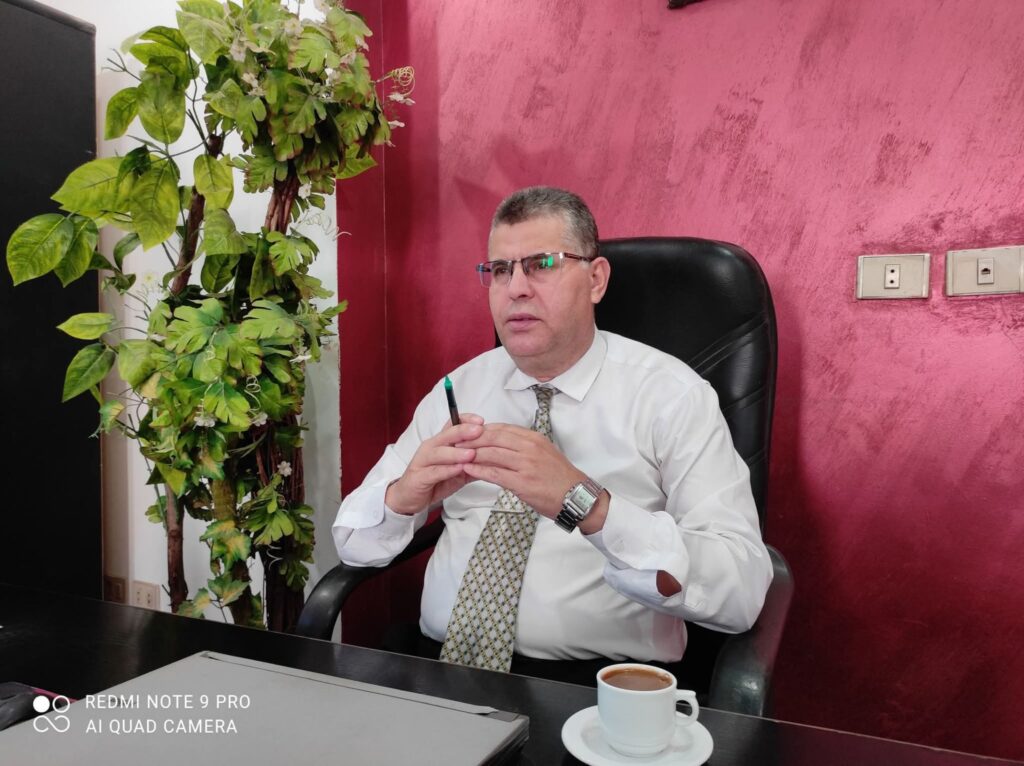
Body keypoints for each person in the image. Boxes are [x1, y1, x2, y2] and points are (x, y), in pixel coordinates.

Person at [332, 186, 772, 676]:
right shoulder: (460, 390)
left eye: (541, 265)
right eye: (501, 270)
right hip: (443, 670)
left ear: (596, 280)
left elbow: (741, 590)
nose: (516, 288)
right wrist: (403, 497)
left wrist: (587, 505)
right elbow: (353, 542)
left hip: (596, 685)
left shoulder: (671, 396)